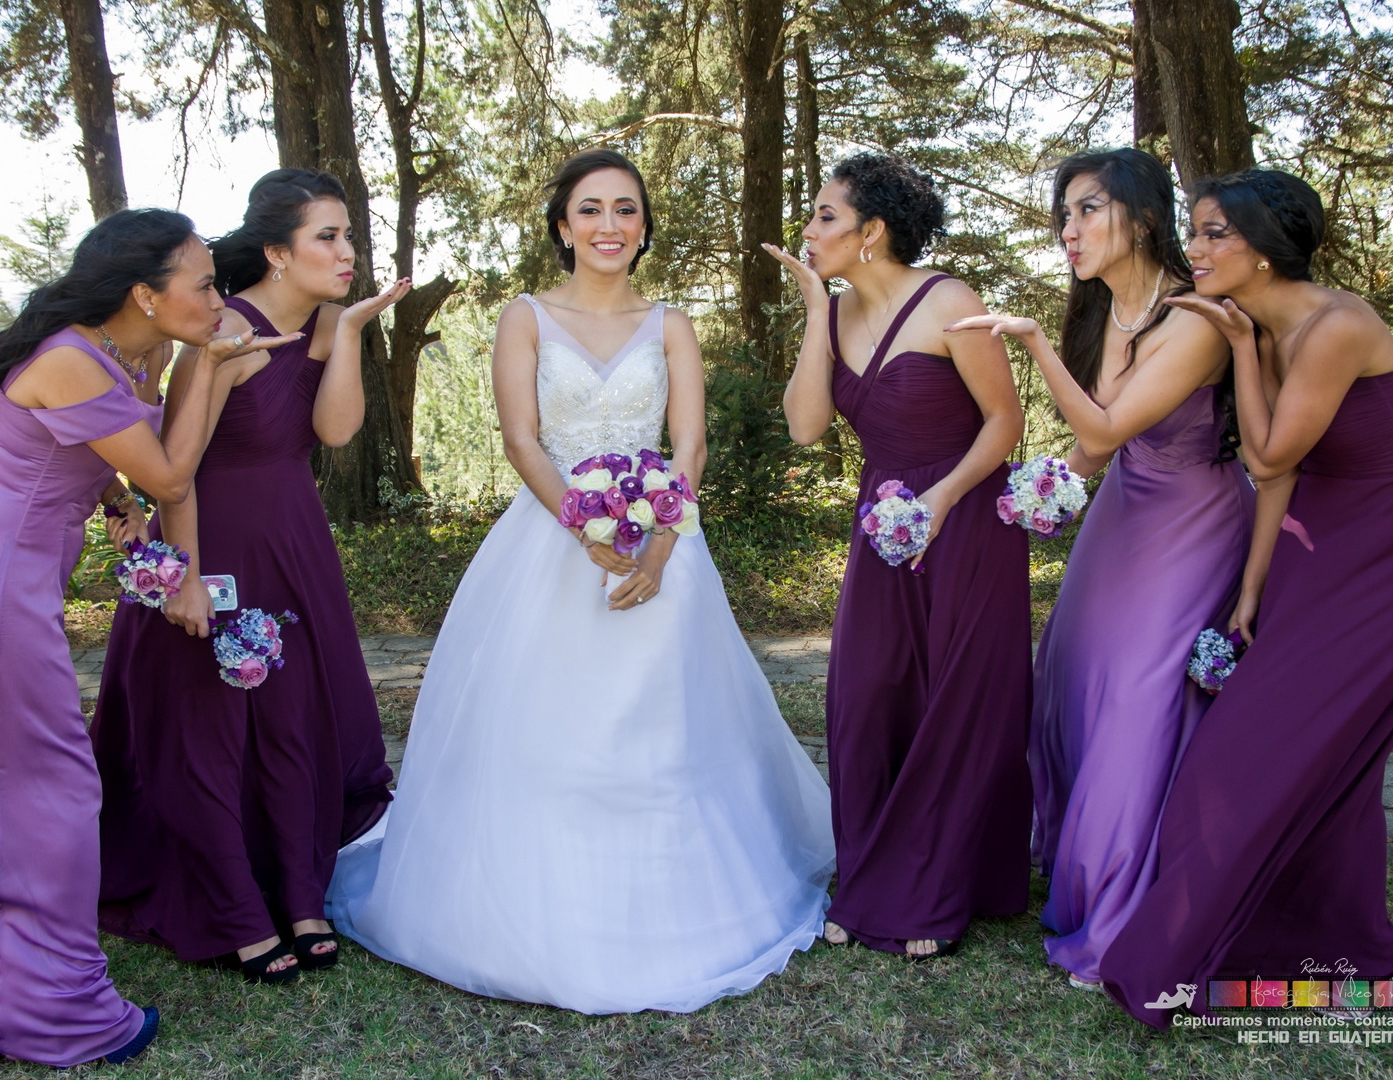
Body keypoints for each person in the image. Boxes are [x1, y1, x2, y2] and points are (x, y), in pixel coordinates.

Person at [326, 149, 834, 1013]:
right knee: (545, 718)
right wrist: (585, 527)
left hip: (662, 542)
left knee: (662, 725)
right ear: (563, 226)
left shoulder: (672, 323)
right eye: (590, 209)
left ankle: (676, 898)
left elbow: (690, 446)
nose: (609, 225)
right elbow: (522, 438)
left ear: (642, 229)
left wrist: (661, 542)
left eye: (626, 210)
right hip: (551, 539)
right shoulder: (525, 316)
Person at [0, 209, 297, 1064]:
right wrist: (208, 371)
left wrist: (118, 507)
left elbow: (110, 469)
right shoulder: (70, 360)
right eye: (203, 285)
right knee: (48, 792)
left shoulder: (108, 352)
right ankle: (54, 1010)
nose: (219, 298)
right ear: (145, 295)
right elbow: (168, 470)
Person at [1099, 170, 1393, 1025]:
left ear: (1264, 247)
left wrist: (1234, 348)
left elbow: (1266, 458)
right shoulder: (1268, 327)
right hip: (1319, 558)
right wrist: (1252, 588)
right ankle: (1327, 947)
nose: (1193, 249)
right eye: (1192, 232)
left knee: (1251, 758)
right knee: (1311, 762)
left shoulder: (1337, 327)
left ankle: (1199, 955)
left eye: (1213, 233)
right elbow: (1281, 479)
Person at [943, 148, 1253, 988]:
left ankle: (1130, 903)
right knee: (1072, 675)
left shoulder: (1193, 319)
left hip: (1192, 520)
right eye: (1063, 215)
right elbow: (1093, 447)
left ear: (1143, 218)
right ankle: (1081, 867)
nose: (1069, 230)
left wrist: (1035, 344)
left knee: (1138, 699)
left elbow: (1110, 426)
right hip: (1122, 511)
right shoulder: (1102, 314)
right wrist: (1044, 491)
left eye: (1087, 210)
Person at [92, 170, 405, 983]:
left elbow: (334, 433)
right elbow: (175, 471)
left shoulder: (330, 321)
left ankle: (301, 896)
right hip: (214, 540)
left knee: (294, 716)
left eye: (348, 235)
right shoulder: (223, 325)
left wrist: (353, 329)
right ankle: (234, 909)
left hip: (293, 540)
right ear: (276, 250)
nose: (347, 251)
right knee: (215, 729)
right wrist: (187, 574)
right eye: (326, 237)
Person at [768, 151, 1030, 959]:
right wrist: (816, 311)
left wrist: (943, 499)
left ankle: (935, 890)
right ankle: (875, 872)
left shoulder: (948, 300)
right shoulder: (838, 312)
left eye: (825, 217)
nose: (809, 231)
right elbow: (806, 426)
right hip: (883, 525)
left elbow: (1005, 422)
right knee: (867, 695)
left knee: (956, 699)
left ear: (872, 231)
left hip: (967, 514)